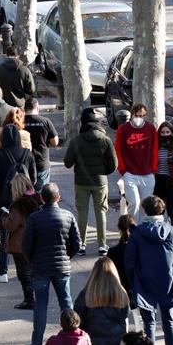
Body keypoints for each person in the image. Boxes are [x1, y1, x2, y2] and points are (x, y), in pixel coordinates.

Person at [125, 196, 173, 345]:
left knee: (149, 323)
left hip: (144, 282)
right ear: (162, 210)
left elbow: (130, 262)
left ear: (144, 210)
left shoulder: (137, 234)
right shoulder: (171, 231)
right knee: (169, 322)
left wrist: (133, 281)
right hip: (168, 281)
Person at [23, 183, 82, 345]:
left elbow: (26, 246)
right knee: (66, 303)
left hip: (41, 268)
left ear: (42, 198)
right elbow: (77, 243)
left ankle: (37, 342)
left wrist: (33, 260)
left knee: (41, 306)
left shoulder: (34, 218)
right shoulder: (68, 216)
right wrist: (66, 256)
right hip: (62, 267)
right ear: (58, 197)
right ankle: (74, 337)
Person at [64, 108, 117, 256]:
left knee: (82, 212)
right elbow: (114, 164)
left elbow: (68, 163)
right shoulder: (105, 140)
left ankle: (81, 244)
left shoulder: (76, 141)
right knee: (101, 212)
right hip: (100, 182)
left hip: (81, 181)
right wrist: (102, 172)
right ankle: (102, 245)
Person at [0, 123, 37, 284]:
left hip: (6, 200)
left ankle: (3, 271)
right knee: (28, 232)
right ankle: (29, 268)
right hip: (26, 200)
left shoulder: (0, 155)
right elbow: (34, 179)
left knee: (6, 234)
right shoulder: (27, 154)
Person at [1, 173, 42, 310]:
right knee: (34, 271)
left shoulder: (18, 205)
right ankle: (39, 297)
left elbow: (12, 225)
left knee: (24, 273)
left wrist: (5, 217)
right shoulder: (37, 199)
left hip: (20, 244)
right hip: (36, 241)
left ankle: (29, 300)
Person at [73, 257, 130, 345]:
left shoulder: (86, 294)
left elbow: (79, 321)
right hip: (116, 340)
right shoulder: (121, 293)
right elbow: (125, 317)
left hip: (92, 340)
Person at [115, 104, 158, 220]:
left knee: (145, 206)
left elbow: (154, 149)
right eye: (137, 115)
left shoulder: (151, 129)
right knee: (133, 203)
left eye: (142, 115)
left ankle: (143, 229)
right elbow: (118, 150)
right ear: (132, 114)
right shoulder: (123, 129)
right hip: (130, 173)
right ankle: (133, 229)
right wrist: (123, 170)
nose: (139, 118)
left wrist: (153, 169)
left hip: (147, 173)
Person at [154, 122, 173, 228]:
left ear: (172, 132)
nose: (165, 134)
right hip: (159, 181)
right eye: (162, 132)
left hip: (172, 181)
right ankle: (159, 230)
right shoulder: (156, 145)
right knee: (158, 209)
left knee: (171, 209)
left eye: (167, 132)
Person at [24, 97, 59, 190]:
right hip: (42, 162)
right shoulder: (45, 121)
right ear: (37, 108)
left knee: (26, 194)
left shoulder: (19, 122)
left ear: (24, 109)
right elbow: (55, 142)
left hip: (24, 163)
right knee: (42, 195)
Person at [106, 214, 136, 307]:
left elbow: (110, 275)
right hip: (138, 290)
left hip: (120, 291)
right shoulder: (139, 250)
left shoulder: (112, 252)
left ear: (118, 228)